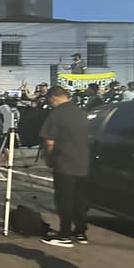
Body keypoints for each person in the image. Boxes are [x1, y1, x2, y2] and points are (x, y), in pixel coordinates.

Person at [39, 85, 90, 247]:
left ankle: (64, 234)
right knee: (80, 199)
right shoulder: (81, 112)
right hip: (83, 163)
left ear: (53, 97)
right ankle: (81, 232)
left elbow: (49, 141)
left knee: (64, 199)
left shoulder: (57, 114)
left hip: (64, 162)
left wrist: (48, 158)